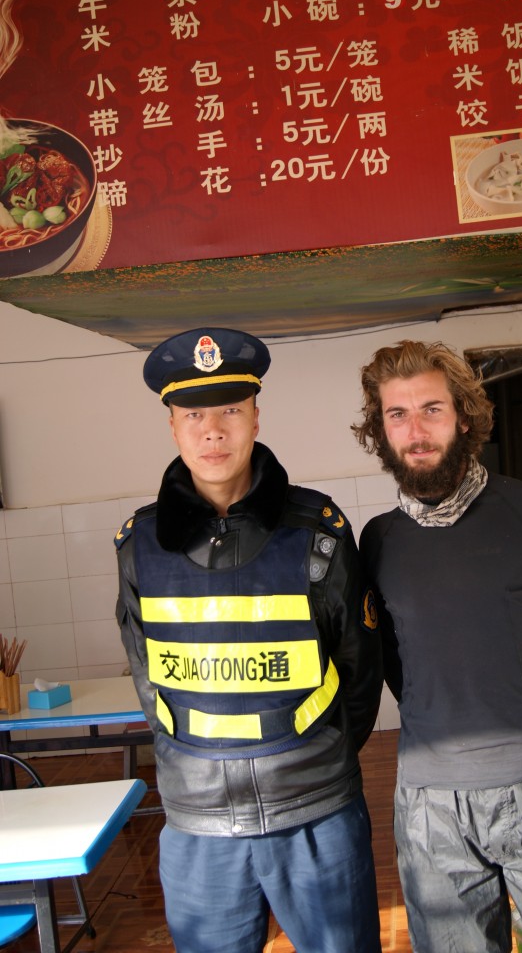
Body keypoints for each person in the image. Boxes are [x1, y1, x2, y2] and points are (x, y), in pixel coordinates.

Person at [351, 338, 522, 953]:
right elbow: (393, 661)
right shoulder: (379, 540)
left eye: (431, 409)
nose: (415, 429)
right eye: (397, 414)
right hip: (428, 807)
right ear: (380, 429)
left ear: (463, 416)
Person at [115, 327, 383, 953]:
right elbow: (147, 676)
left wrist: (316, 756)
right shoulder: (139, 545)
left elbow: (362, 671)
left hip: (316, 810)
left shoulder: (318, 531)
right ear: (173, 426)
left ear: (256, 417)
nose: (214, 431)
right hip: (197, 825)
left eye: (231, 410)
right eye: (194, 414)